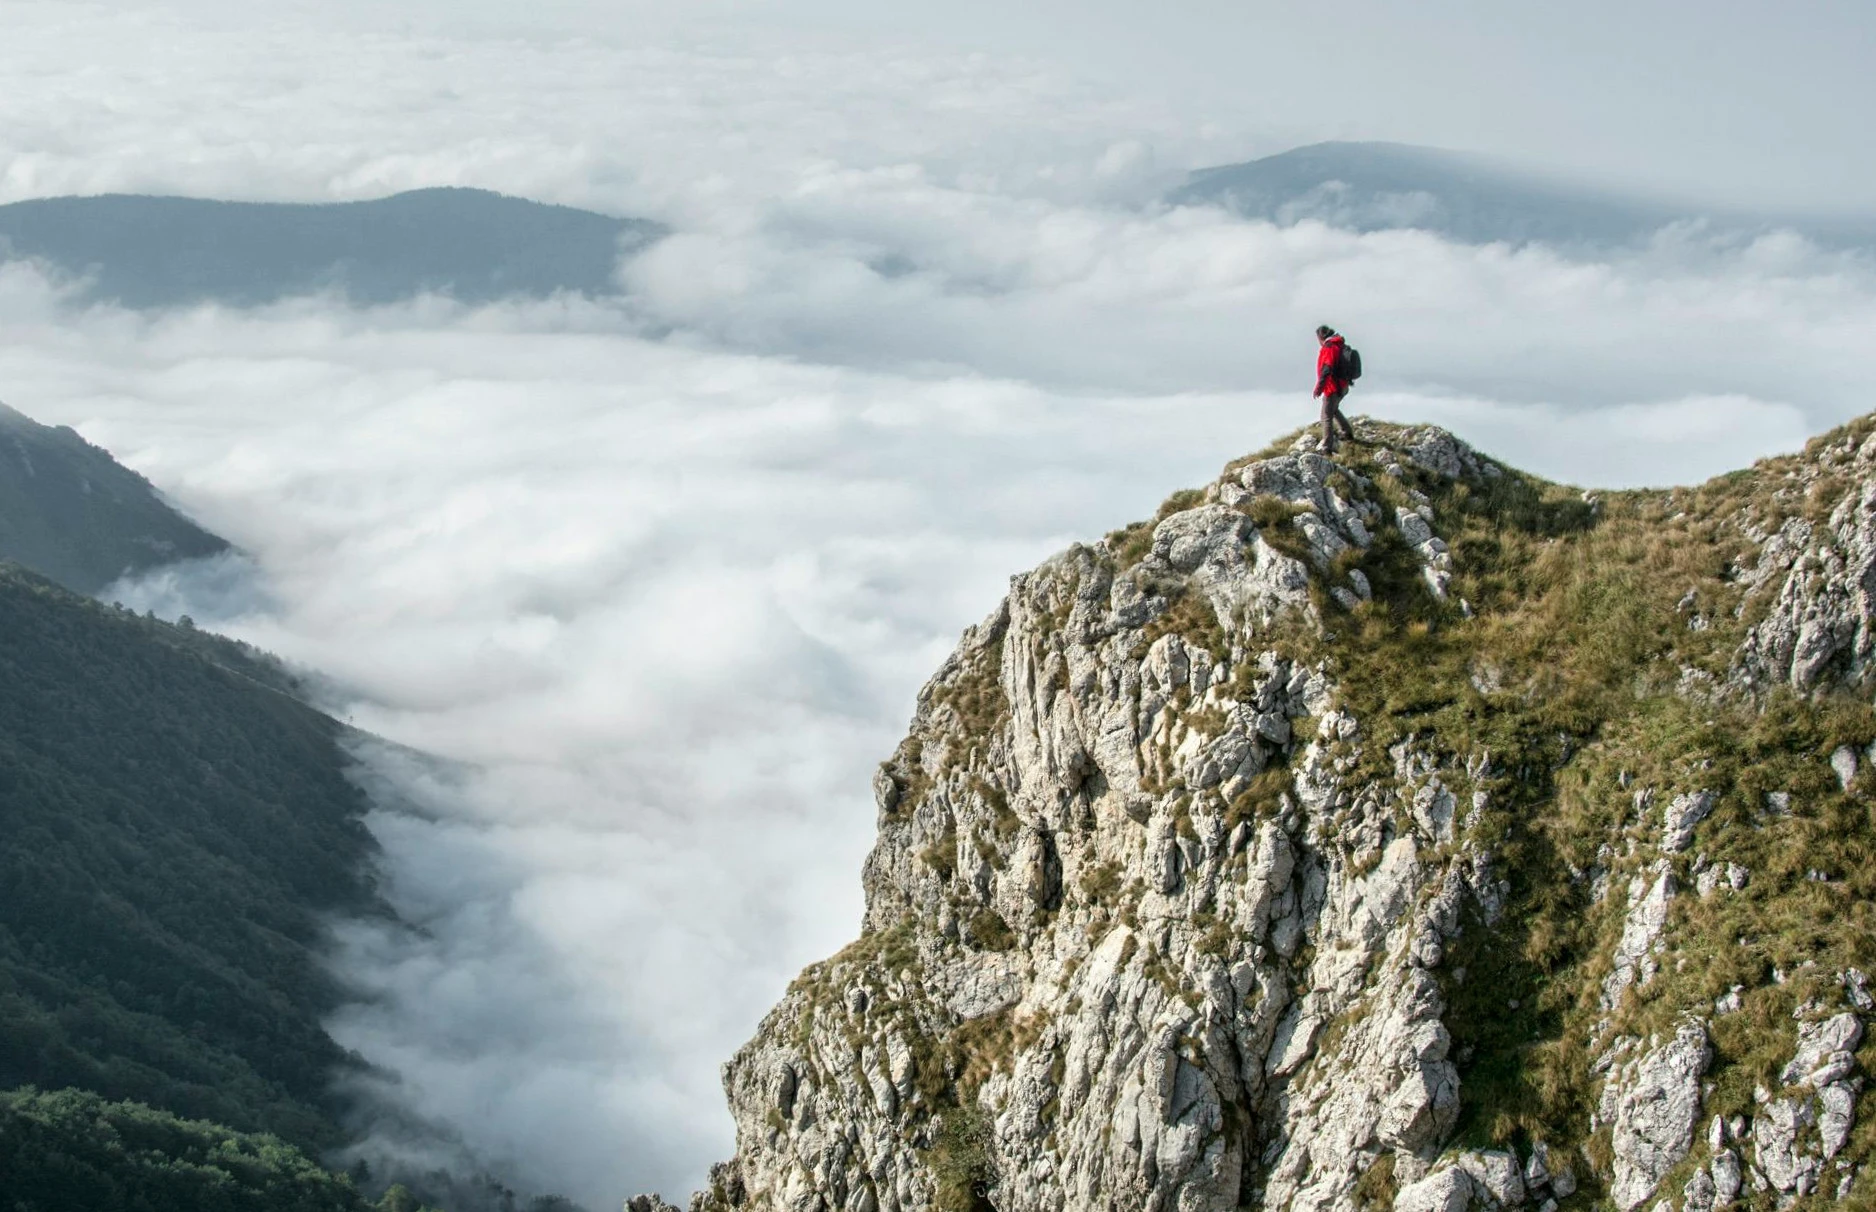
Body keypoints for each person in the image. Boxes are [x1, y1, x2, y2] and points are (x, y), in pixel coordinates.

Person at [1313, 324, 1356, 454]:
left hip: (1333, 387)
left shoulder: (1329, 348)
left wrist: (1318, 388)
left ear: (1321, 337)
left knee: (1326, 416)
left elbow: (1327, 369)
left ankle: (1326, 447)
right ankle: (1347, 433)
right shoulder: (1339, 344)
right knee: (1334, 409)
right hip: (1343, 385)